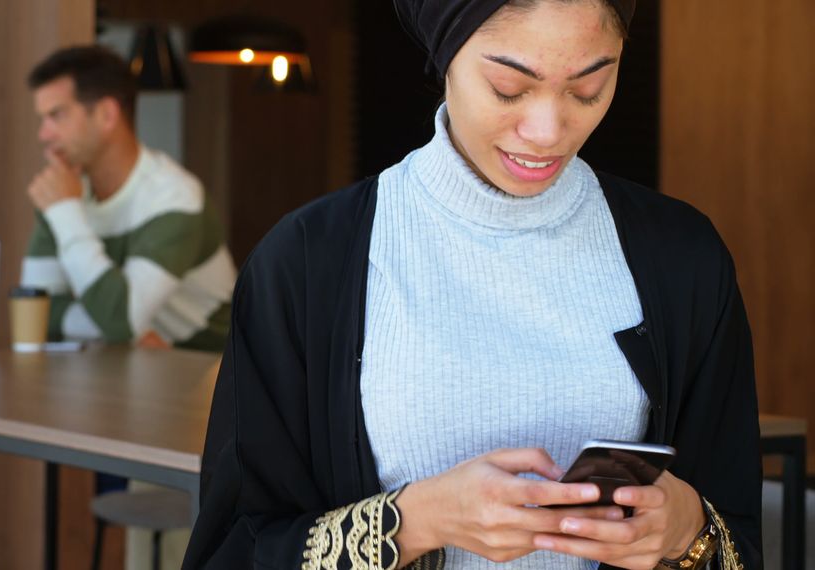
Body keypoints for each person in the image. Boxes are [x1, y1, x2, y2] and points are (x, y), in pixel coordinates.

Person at [184, 1, 761, 569]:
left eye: (588, 88)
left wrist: (687, 527)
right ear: (446, 63)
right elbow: (238, 548)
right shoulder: (308, 263)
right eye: (508, 86)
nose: (547, 131)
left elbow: (735, 536)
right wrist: (415, 522)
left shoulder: (682, 258)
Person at [20, 45, 237, 353]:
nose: (44, 134)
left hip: (207, 370)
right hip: (127, 365)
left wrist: (67, 212)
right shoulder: (62, 192)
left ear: (107, 115)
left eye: (57, 115)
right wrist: (124, 332)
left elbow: (120, 321)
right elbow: (38, 314)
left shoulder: (174, 197)